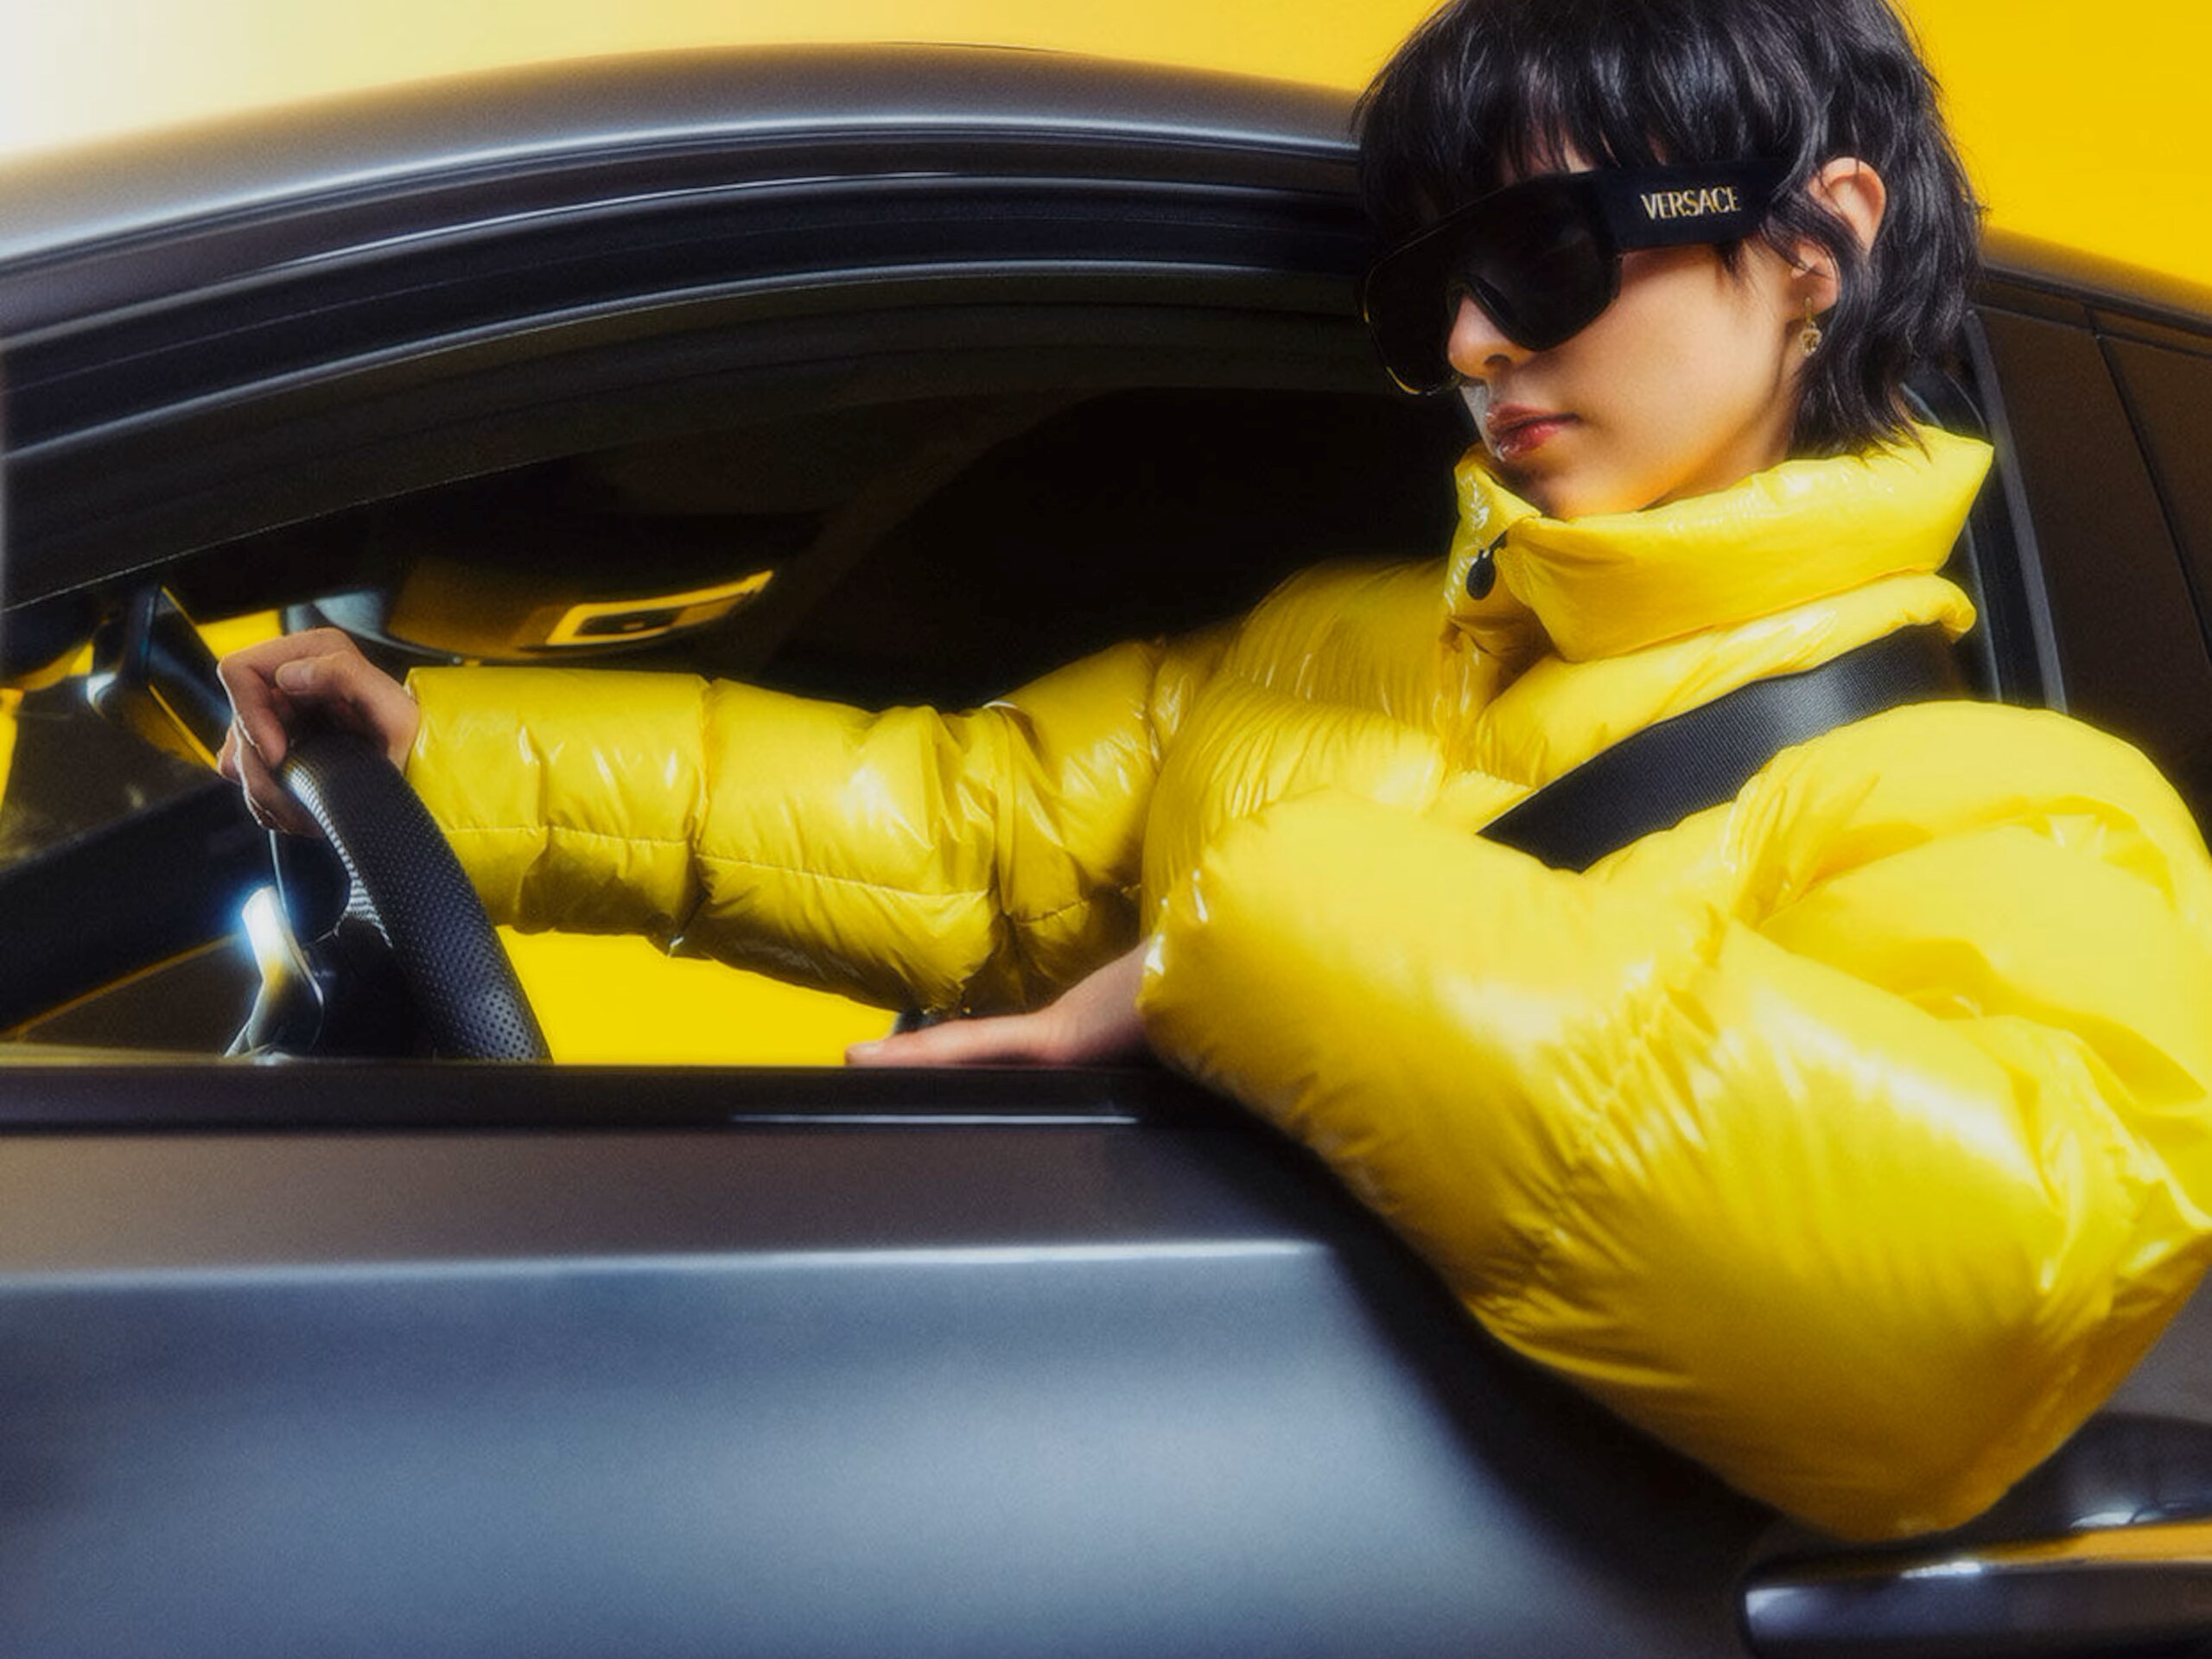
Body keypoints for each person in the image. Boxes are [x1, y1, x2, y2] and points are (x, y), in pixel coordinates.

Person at [220, 0, 2212, 1541]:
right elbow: (958, 834)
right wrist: (448, 751)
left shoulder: (2010, 803)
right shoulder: (1317, 645)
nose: (1459, 338)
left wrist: (1231, 952)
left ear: (1809, 244)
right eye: (1420, 287)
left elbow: (1978, 1299)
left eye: (1537, 250)